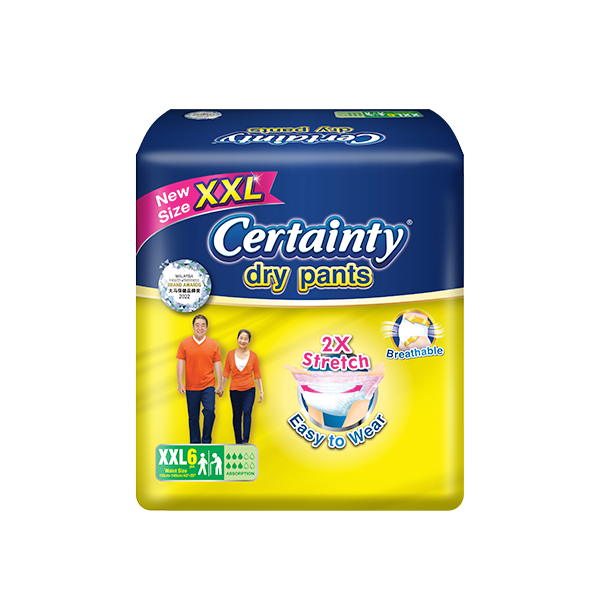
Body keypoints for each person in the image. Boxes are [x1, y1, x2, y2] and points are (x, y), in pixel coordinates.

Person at [176, 314, 223, 444]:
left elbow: (218, 364)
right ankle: (195, 443)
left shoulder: (213, 344)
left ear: (206, 328)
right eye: (197, 325)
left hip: (208, 385)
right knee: (193, 418)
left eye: (203, 325)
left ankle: (206, 440)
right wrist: (180, 383)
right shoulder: (184, 343)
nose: (200, 327)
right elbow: (180, 362)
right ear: (193, 327)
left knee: (210, 411)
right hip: (191, 386)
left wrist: (220, 385)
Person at [218, 329, 263, 444]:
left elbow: (257, 375)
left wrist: (261, 391)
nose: (243, 341)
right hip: (235, 390)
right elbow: (226, 373)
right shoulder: (230, 354)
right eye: (241, 338)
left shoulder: (254, 356)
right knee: (236, 416)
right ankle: (238, 441)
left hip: (249, 389)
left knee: (247, 412)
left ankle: (245, 441)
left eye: (245, 339)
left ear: (249, 341)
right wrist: (221, 387)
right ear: (237, 339)